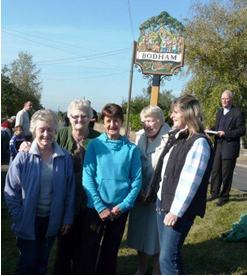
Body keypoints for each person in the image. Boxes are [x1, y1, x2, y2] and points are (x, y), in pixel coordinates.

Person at [147, 95, 213, 274]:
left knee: (167, 258)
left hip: (178, 209)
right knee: (170, 255)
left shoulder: (199, 143)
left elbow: (190, 181)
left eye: (175, 112)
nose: (171, 116)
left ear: (188, 114)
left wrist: (176, 211)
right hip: (164, 203)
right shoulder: (179, 138)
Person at [4, 109, 75, 275]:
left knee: (43, 262)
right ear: (34, 131)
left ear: (55, 131)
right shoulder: (23, 157)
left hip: (52, 219)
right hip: (28, 219)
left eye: (50, 129)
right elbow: (10, 189)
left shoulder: (64, 157)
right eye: (41, 129)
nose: (46, 134)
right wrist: (19, 215)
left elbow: (70, 191)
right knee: (27, 262)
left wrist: (67, 218)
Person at [81, 103, 142, 274]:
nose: (112, 125)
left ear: (121, 122)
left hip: (119, 210)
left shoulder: (131, 149)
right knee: (89, 250)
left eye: (116, 120)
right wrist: (100, 206)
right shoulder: (94, 145)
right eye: (108, 121)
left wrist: (123, 206)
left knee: (110, 251)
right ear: (103, 122)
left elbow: (136, 180)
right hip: (96, 208)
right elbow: (87, 177)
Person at [53, 99, 100, 274]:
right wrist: (26, 145)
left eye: (83, 116)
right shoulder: (61, 134)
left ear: (90, 118)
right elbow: (43, 145)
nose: (79, 120)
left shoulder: (98, 139)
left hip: (91, 201)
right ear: (69, 117)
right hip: (66, 201)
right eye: (75, 116)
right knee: (65, 245)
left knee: (88, 246)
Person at [127, 105, 170, 275]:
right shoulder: (139, 136)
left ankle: (157, 270)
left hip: (159, 194)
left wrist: (153, 191)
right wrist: (138, 190)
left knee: (156, 235)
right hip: (139, 192)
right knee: (139, 233)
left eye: (151, 120)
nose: (147, 125)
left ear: (160, 120)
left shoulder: (170, 138)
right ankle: (141, 267)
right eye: (144, 121)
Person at [207, 90, 246, 206]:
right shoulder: (219, 112)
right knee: (215, 171)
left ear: (231, 99)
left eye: (226, 98)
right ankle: (214, 193)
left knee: (226, 173)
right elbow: (218, 127)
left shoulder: (237, 113)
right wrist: (210, 130)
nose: (223, 101)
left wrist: (226, 134)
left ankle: (224, 196)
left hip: (229, 147)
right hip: (218, 145)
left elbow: (242, 130)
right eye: (222, 98)